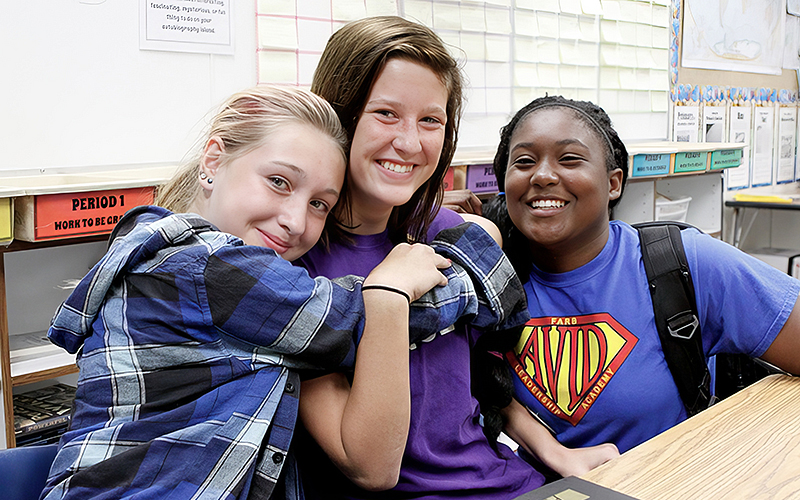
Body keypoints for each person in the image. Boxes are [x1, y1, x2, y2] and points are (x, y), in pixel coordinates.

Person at [40, 86, 526, 500]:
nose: (296, 221)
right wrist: (477, 245)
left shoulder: (207, 267)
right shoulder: (201, 265)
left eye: (319, 204)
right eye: (278, 181)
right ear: (214, 160)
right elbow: (366, 314)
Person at [293, 17, 617, 499]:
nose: (409, 142)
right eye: (385, 113)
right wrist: (387, 296)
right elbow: (369, 469)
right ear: (341, 115)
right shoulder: (295, 259)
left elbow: (478, 376)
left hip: (510, 479)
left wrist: (554, 453)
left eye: (431, 120)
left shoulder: (452, 236)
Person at [484, 94, 800, 456]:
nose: (542, 175)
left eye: (569, 159)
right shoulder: (489, 284)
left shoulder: (681, 264)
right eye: (524, 162)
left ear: (614, 183)